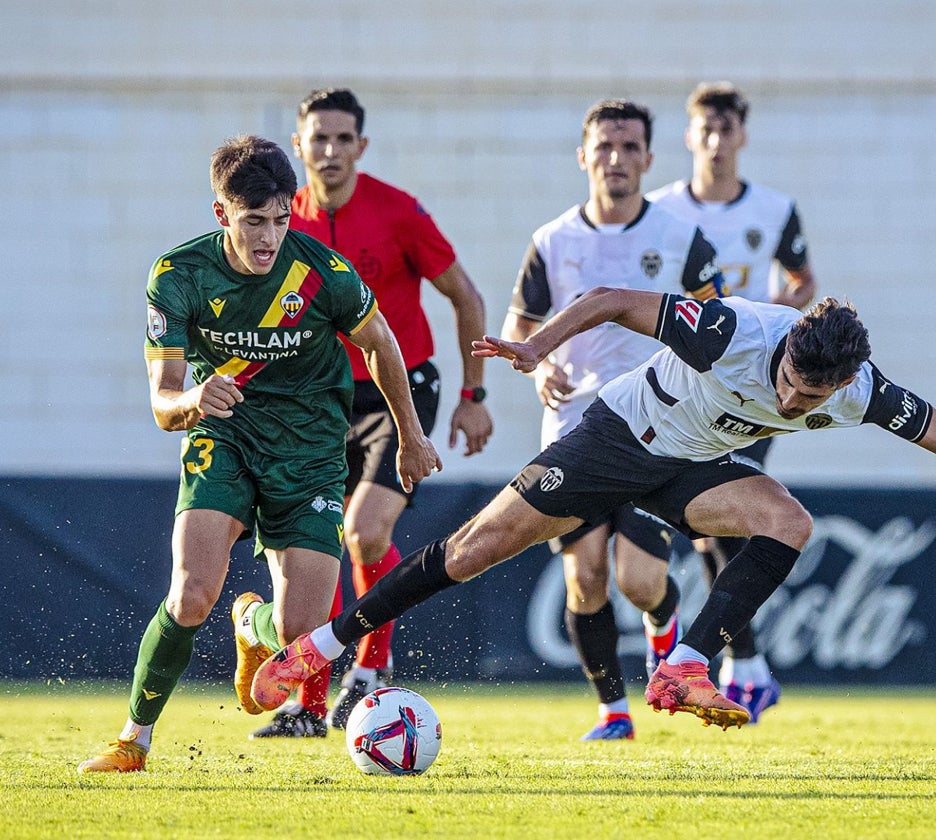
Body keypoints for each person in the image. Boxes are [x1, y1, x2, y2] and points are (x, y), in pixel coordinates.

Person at [251, 287, 936, 734]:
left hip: (693, 465)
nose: (790, 396)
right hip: (619, 435)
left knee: (789, 522)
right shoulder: (733, 333)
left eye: (808, 395)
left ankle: (684, 666)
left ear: (840, 386)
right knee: (474, 549)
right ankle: (312, 651)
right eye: (789, 381)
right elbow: (619, 298)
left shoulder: (860, 393)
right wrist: (536, 347)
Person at [77, 136, 440, 773]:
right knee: (191, 596)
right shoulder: (177, 276)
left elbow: (383, 345)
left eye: (279, 219)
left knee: (303, 636)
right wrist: (193, 399)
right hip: (225, 441)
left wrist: (411, 435)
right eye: (253, 221)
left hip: (310, 455)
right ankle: (133, 740)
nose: (269, 237)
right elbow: (162, 406)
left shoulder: (321, 272)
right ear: (222, 214)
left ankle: (254, 625)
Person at [245, 89, 494, 739]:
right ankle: (309, 703)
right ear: (297, 147)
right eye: (317, 139)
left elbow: (466, 296)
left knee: (364, 533)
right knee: (314, 548)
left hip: (399, 392)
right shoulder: (280, 222)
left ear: (361, 146)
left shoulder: (399, 212)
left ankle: (370, 673)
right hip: (316, 399)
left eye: (342, 138)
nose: (329, 150)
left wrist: (474, 397)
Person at [502, 99, 726, 741]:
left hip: (659, 431)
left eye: (630, 148)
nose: (617, 159)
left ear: (650, 159)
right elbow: (519, 326)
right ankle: (613, 711)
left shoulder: (681, 238)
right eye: (604, 147)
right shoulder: (553, 240)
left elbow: (720, 325)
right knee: (585, 576)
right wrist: (540, 367)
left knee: (639, 578)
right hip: (574, 428)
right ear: (584, 156)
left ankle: (662, 635)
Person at [646, 81, 817, 721]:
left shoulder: (773, 210)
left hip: (750, 385)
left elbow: (803, 280)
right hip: (678, 385)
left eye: (727, 130)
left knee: (722, 515)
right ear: (690, 137)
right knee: (706, 521)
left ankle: (739, 660)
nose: (716, 142)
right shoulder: (661, 209)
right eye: (705, 131)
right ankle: (742, 661)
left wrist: (776, 323)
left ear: (742, 135)